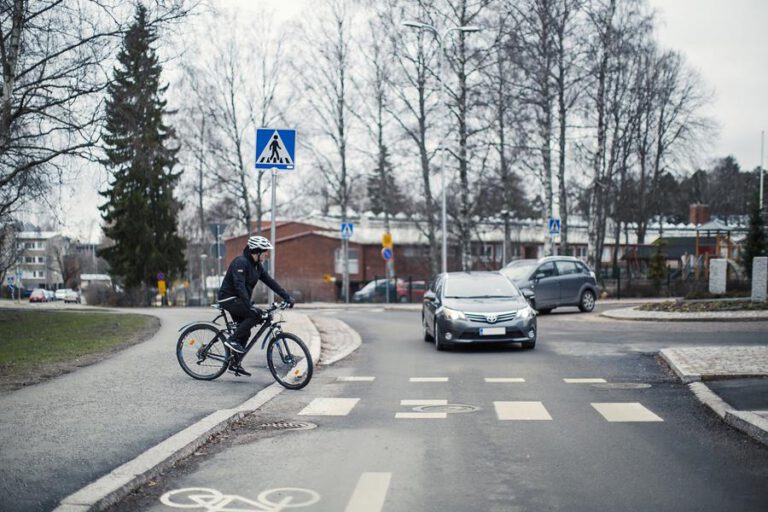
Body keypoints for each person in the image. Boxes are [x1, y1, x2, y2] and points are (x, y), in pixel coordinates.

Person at [217, 235, 294, 376]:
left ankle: (235, 363)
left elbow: (270, 282)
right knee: (255, 315)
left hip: (241, 300)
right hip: (228, 298)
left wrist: (286, 297)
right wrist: (249, 306)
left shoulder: (257, 267)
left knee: (246, 330)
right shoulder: (240, 262)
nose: (267, 254)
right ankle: (232, 339)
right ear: (257, 251)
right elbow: (239, 286)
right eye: (265, 251)